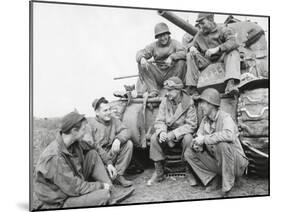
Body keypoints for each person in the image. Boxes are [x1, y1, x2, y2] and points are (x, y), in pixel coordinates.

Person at [34, 111, 134, 209]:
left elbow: (94, 146)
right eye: (83, 129)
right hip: (61, 199)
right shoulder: (54, 157)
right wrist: (101, 186)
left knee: (92, 154)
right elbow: (75, 187)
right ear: (73, 131)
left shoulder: (74, 142)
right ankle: (107, 194)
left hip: (72, 183)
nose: (85, 132)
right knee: (103, 195)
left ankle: (112, 190)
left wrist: (109, 163)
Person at [184, 88, 248, 196]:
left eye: (203, 103)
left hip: (236, 164)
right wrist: (196, 144)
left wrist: (204, 139)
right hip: (219, 161)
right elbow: (199, 136)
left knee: (223, 144)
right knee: (189, 153)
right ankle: (213, 179)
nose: (201, 106)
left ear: (211, 104)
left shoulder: (225, 117)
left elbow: (229, 135)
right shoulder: (205, 120)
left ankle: (227, 187)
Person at [147, 76, 198, 186]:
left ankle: (189, 171)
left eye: (170, 90)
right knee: (154, 138)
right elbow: (159, 120)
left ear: (178, 90)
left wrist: (174, 134)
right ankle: (159, 172)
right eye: (166, 90)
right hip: (167, 132)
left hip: (182, 135)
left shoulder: (188, 103)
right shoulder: (165, 101)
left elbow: (192, 125)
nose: (167, 93)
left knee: (189, 138)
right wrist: (162, 132)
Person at [185, 13, 241, 96]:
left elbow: (234, 42)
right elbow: (191, 46)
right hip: (207, 61)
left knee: (233, 52)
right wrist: (191, 49)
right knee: (190, 55)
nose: (201, 26)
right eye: (199, 24)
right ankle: (192, 87)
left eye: (203, 23)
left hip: (223, 58)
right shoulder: (200, 34)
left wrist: (218, 49)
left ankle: (230, 83)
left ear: (211, 20)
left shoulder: (223, 29)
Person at [90, 97, 133, 187]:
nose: (109, 112)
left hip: (111, 153)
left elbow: (126, 131)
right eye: (105, 110)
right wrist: (108, 162)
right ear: (97, 112)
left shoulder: (114, 120)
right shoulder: (91, 125)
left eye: (109, 109)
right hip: (100, 159)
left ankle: (118, 175)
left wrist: (118, 139)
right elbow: (95, 148)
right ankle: (105, 177)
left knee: (128, 144)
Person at [136, 22, 187, 97]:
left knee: (181, 62)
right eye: (160, 36)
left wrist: (172, 57)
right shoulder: (153, 46)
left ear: (168, 34)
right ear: (157, 37)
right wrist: (142, 58)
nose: (163, 38)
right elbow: (140, 53)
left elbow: (184, 52)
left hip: (172, 73)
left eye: (164, 35)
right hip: (159, 74)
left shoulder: (175, 43)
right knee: (141, 64)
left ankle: (174, 87)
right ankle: (153, 90)